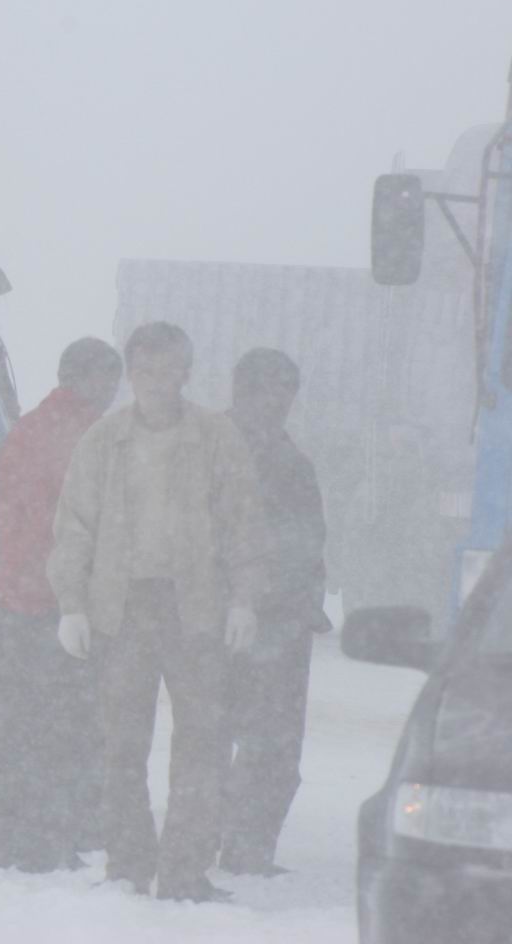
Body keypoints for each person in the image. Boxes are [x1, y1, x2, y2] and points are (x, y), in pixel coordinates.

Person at [47, 322, 267, 903]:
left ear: (186, 372)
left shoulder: (217, 439)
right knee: (121, 742)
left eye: (169, 370)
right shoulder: (102, 441)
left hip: (195, 609)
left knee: (201, 741)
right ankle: (127, 862)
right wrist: (71, 604)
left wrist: (244, 598)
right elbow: (74, 526)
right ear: (130, 374)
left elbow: (243, 524)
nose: (156, 382)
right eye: (144, 371)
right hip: (121, 610)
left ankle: (184, 871)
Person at [0, 338, 122, 872]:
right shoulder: (88, 435)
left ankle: (10, 841)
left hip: (18, 594)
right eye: (109, 381)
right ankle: (50, 840)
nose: (114, 393)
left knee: (22, 727)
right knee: (65, 727)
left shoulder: (27, 429)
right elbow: (86, 524)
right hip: (62, 602)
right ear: (88, 379)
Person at [220, 348, 328, 876]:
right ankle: (235, 847)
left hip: (282, 620)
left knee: (269, 748)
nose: (281, 403)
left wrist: (308, 600)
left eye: (288, 392)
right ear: (243, 390)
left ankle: (245, 847)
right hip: (240, 617)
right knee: (245, 743)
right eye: (272, 390)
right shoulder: (214, 449)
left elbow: (306, 543)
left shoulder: (287, 456)